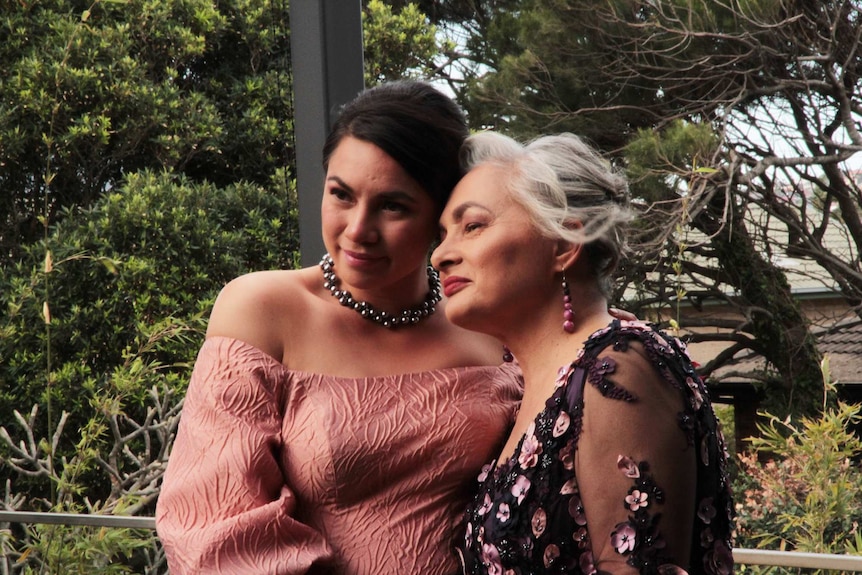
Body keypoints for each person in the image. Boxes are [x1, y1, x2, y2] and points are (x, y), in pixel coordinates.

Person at [155, 81, 525, 574]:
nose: (357, 230)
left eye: (393, 206)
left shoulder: (491, 322)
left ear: (441, 214)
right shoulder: (264, 310)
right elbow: (214, 530)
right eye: (341, 195)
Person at [431, 131, 734, 575]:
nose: (440, 254)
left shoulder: (619, 368)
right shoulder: (534, 382)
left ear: (564, 244)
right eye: (442, 235)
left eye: (472, 226)